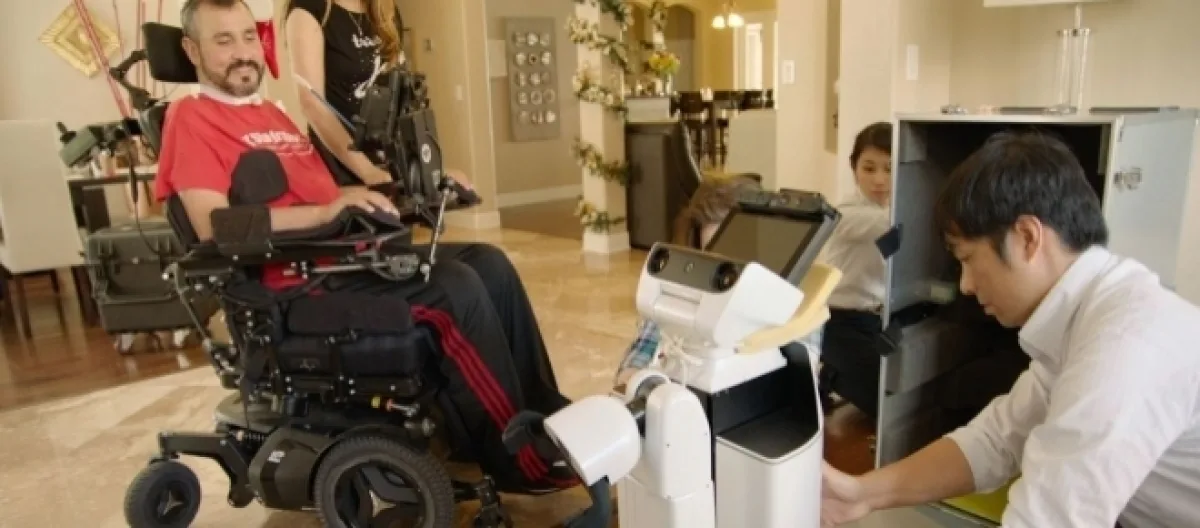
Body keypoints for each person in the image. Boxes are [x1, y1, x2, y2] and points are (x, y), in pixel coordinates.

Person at [158, 0, 573, 492]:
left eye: (249, 37)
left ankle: (545, 418)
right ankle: (517, 460)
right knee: (453, 289)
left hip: (340, 257)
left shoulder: (270, 113)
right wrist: (326, 213)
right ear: (192, 50)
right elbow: (215, 227)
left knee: (489, 263)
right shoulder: (190, 117)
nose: (243, 53)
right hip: (292, 285)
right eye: (223, 41)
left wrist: (425, 186)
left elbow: (336, 198)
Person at [820, 132, 1200, 528]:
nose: (965, 285)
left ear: (1027, 238)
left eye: (968, 258)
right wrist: (862, 494)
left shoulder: (1124, 347)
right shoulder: (1085, 321)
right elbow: (997, 440)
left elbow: (1049, 518)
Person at [615, 175, 762, 385]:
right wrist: (634, 383)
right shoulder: (681, 292)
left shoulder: (790, 305)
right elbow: (637, 359)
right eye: (710, 256)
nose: (721, 274)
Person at [815, 122, 893, 418]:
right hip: (839, 321)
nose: (879, 180)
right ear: (854, 169)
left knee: (909, 387)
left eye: (889, 168)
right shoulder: (846, 214)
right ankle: (829, 372)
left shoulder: (888, 211)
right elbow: (893, 223)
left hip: (880, 319)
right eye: (869, 168)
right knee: (884, 403)